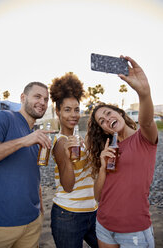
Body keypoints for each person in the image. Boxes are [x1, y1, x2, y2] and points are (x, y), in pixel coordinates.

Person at [86, 56, 158, 248]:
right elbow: (98, 197)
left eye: (108, 113)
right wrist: (102, 168)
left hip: (133, 229)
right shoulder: (108, 149)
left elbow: (147, 121)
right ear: (105, 130)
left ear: (120, 113)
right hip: (103, 225)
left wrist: (144, 93)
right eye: (101, 121)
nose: (106, 119)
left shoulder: (144, 138)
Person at [0, 82, 52, 248]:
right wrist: (24, 141)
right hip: (2, 225)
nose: (42, 102)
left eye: (46, 99)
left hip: (32, 223)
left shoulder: (36, 135)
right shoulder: (5, 117)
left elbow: (33, 175)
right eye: (37, 96)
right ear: (23, 97)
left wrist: (41, 211)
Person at [49, 72, 98, 248]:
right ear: (58, 112)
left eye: (76, 109)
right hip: (68, 215)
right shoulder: (61, 142)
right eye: (67, 110)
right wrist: (69, 159)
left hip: (92, 212)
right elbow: (68, 186)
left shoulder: (79, 140)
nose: (74, 115)